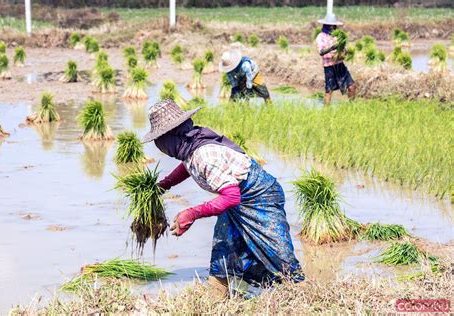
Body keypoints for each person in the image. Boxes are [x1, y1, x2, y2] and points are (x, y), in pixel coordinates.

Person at [142, 99, 304, 296]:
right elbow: (188, 165)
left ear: (171, 136)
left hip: (260, 197)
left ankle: (301, 292)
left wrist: (192, 213)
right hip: (235, 200)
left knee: (278, 253)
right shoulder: (190, 145)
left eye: (160, 141)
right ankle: (217, 298)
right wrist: (166, 184)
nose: (159, 146)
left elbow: (231, 196)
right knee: (224, 250)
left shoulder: (205, 155)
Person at [316, 13, 356, 105]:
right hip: (329, 67)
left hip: (340, 65)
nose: (333, 27)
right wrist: (332, 48)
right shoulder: (320, 37)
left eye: (334, 25)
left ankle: (352, 108)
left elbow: (342, 49)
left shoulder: (338, 36)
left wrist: (345, 51)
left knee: (352, 86)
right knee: (329, 91)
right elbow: (321, 52)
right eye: (331, 25)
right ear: (326, 25)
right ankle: (326, 112)